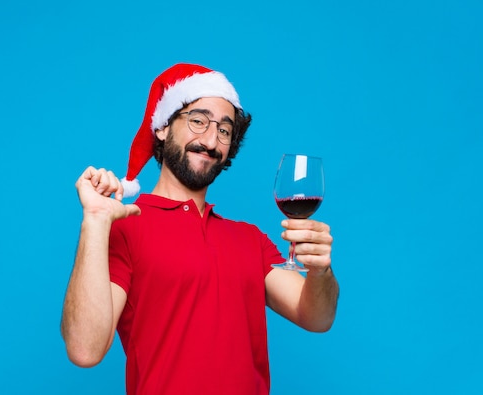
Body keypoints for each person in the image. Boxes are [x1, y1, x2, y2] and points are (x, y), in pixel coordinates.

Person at [61, 63, 339, 395]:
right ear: (163, 128)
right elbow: (84, 350)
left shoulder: (250, 239)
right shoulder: (125, 225)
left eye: (224, 130)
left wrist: (321, 272)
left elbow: (317, 317)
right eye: (198, 121)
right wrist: (94, 220)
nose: (211, 140)